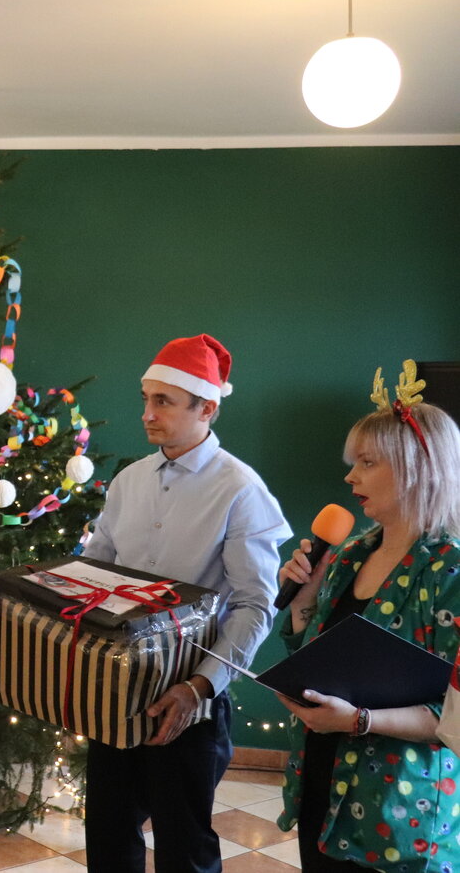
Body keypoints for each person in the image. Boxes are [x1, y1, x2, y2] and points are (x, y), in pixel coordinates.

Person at [80, 333, 292, 873]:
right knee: (107, 837)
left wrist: (200, 688)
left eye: (164, 401)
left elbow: (255, 605)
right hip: (115, 694)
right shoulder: (128, 481)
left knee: (185, 851)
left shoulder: (240, 490)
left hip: (190, 703)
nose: (147, 414)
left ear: (207, 408)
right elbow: (93, 574)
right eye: (145, 398)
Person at [274, 379, 460, 872]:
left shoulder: (451, 570)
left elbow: (455, 716)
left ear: (416, 470)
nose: (350, 476)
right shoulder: (351, 554)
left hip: (400, 816)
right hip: (323, 786)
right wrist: (304, 601)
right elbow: (314, 654)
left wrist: (360, 721)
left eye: (367, 462)